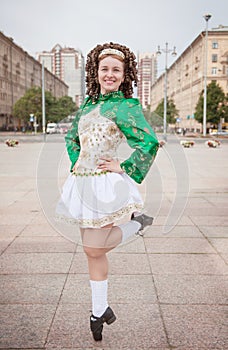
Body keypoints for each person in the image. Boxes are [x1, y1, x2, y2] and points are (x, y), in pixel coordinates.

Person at [56, 42, 159, 341]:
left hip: (105, 183)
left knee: (93, 247)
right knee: (92, 253)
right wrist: (76, 162)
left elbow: (148, 142)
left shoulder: (126, 107)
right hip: (82, 182)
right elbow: (71, 137)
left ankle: (137, 223)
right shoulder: (87, 106)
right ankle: (99, 311)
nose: (110, 74)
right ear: (96, 72)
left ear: (125, 75)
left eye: (116, 70)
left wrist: (124, 166)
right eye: (105, 69)